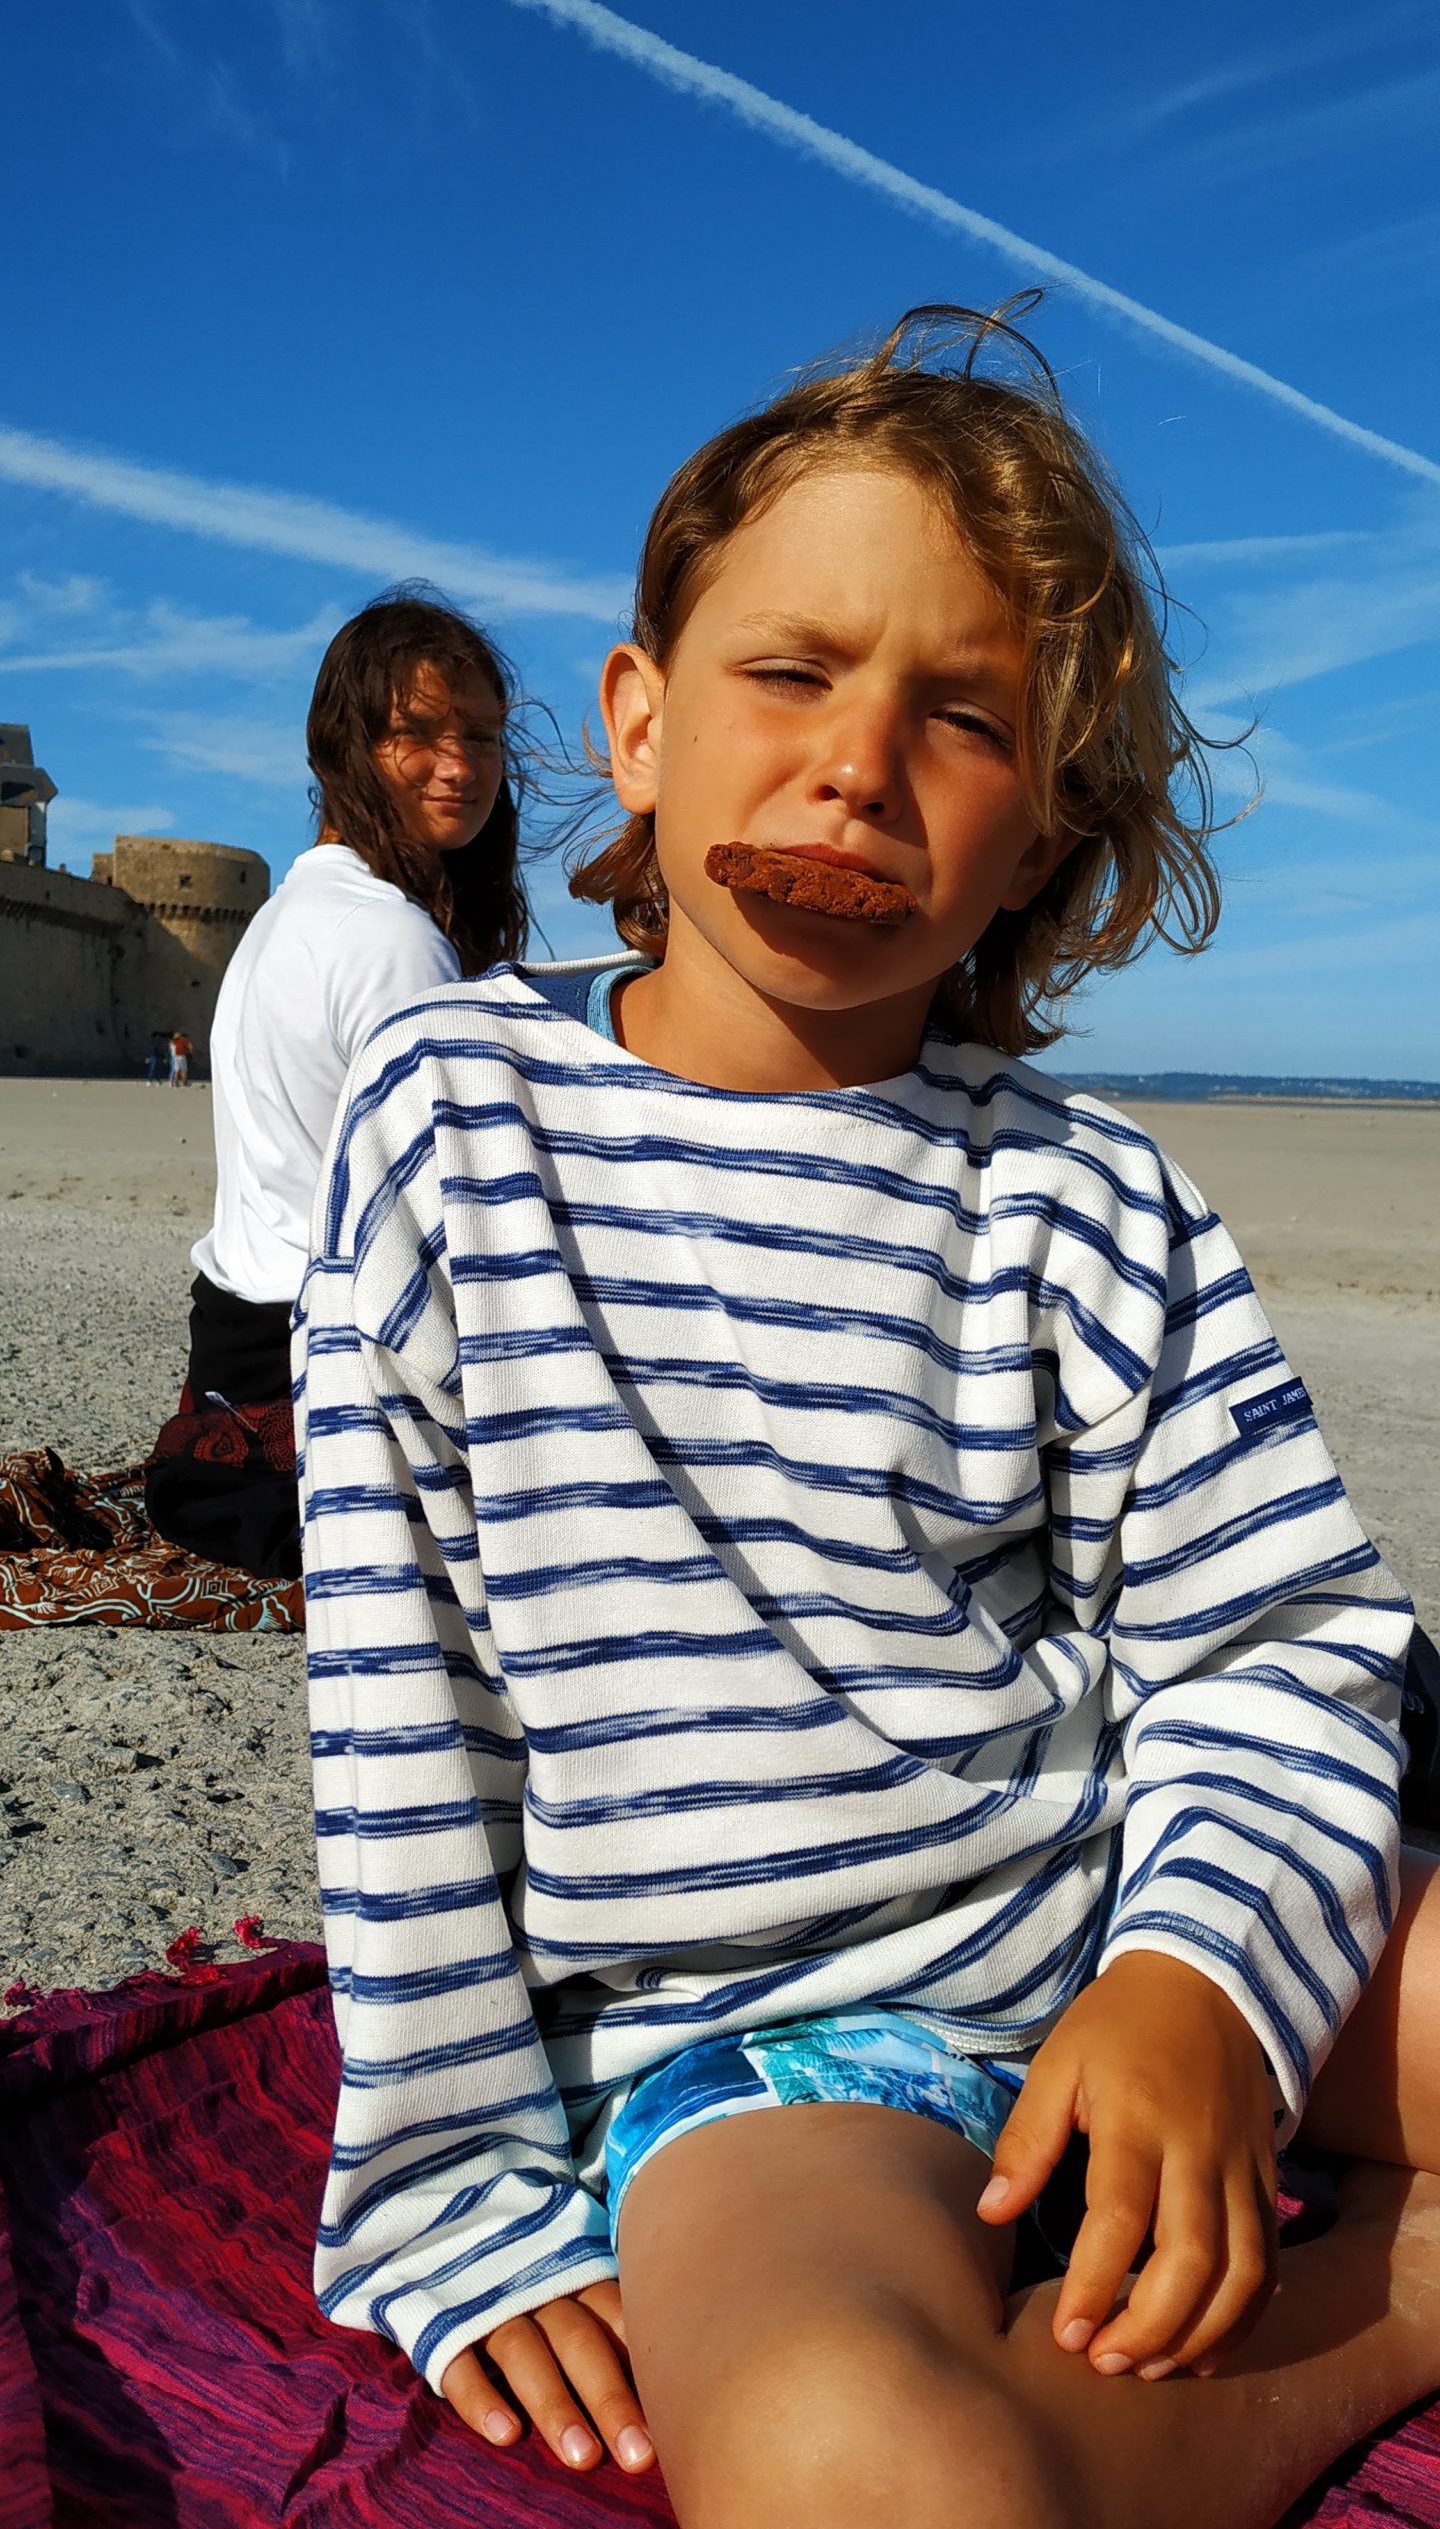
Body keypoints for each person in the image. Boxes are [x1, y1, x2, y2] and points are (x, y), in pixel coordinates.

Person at [294, 305, 1440, 2529]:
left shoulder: (1088, 1196)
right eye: (793, 672)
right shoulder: (455, 1120)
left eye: (964, 717)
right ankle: (1397, 2296)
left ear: (1041, 834)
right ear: (638, 726)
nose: (858, 765)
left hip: (1121, 1890)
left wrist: (1202, 1982)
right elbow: (401, 1700)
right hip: (771, 2048)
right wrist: (448, 2181)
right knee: (862, 2467)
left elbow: (1281, 1645)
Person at [144, 587, 529, 1583]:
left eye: (482, 736)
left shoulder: (291, 914)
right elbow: (454, 1221)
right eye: (419, 733)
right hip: (318, 1378)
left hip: (232, 1357)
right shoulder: (389, 939)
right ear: (343, 747)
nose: (461, 764)